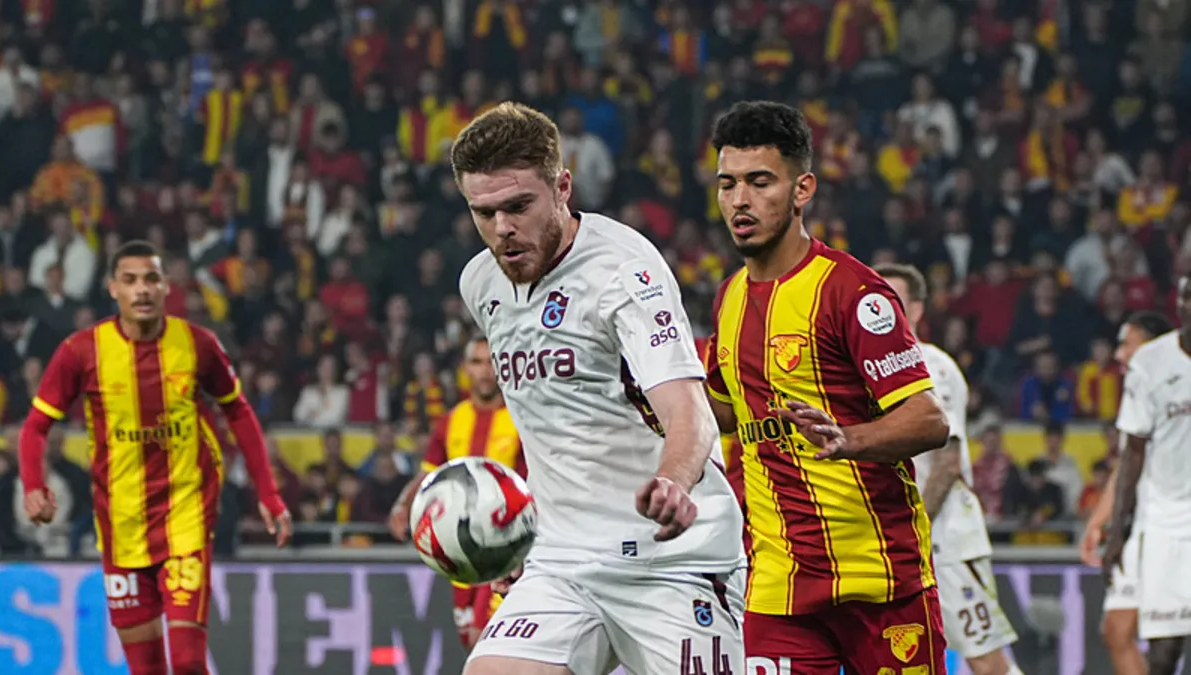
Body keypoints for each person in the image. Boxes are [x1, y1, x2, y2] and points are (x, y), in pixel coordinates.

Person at [451, 102, 745, 674]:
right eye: (484, 212)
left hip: (670, 561)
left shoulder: (624, 273)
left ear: (563, 187)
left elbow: (691, 412)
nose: (502, 228)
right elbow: (552, 417)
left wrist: (673, 480)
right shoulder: (481, 283)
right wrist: (526, 536)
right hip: (561, 563)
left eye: (519, 206)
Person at [702, 100, 950, 674]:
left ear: (802, 189)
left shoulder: (851, 291)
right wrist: (647, 393)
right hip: (779, 588)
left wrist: (849, 439)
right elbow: (728, 414)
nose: (739, 200)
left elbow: (928, 420)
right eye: (727, 184)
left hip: (879, 580)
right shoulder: (729, 299)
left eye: (760, 182)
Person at [16, 240, 292, 675]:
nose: (141, 289)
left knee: (187, 662)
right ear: (112, 289)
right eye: (130, 280)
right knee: (147, 669)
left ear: (166, 287)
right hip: (122, 525)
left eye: (151, 279)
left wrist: (268, 493)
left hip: (186, 515)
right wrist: (33, 485)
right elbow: (35, 426)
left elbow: (237, 410)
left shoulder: (197, 344)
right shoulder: (81, 351)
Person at [878, 262, 1025, 675]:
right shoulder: (863, 371)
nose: (879, 311)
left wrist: (916, 526)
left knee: (984, 657)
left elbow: (947, 461)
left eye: (893, 301)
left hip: (943, 539)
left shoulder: (932, 367)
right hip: (893, 540)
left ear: (917, 310)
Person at [389, 335, 527, 651]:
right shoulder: (451, 420)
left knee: (487, 638)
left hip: (504, 547)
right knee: (470, 640)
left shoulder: (520, 420)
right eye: (477, 362)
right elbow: (429, 472)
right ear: (465, 368)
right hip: (459, 549)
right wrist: (403, 504)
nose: (485, 371)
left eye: (491, 362)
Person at [1079, 310, 1171, 675]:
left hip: (1175, 525)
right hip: (1140, 526)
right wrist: (1098, 522)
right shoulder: (1136, 391)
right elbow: (1125, 466)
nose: (1118, 354)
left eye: (1126, 344)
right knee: (1116, 631)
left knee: (1168, 638)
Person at [1103, 292, 1191, 675]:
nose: (1120, 354)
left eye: (1127, 343)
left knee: (1147, 638)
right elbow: (1129, 459)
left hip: (1166, 519)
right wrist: (1111, 528)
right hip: (1156, 521)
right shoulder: (1147, 373)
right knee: (1147, 642)